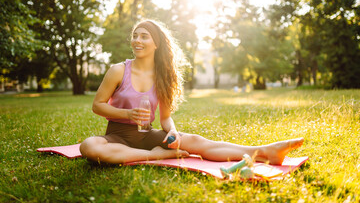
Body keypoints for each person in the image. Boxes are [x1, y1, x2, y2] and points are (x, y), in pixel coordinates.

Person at [80, 19, 304, 165]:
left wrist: (173, 133)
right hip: (117, 137)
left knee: (195, 140)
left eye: (143, 36)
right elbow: (97, 105)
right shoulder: (118, 70)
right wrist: (127, 115)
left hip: (147, 135)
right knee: (89, 146)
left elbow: (165, 118)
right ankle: (155, 156)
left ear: (156, 43)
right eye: (135, 35)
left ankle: (264, 152)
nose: (137, 40)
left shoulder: (162, 76)